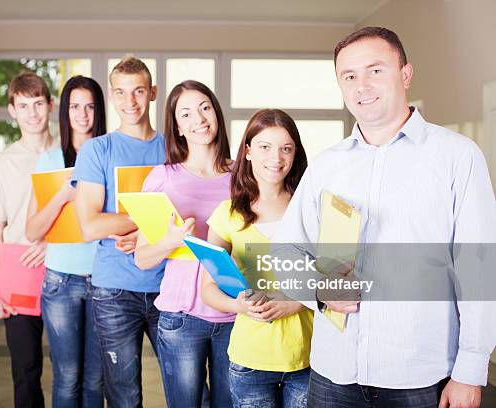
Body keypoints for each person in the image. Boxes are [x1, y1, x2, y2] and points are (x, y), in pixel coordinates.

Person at [273, 27, 496, 408]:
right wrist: (318, 292)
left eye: (375, 71)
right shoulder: (326, 166)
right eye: (349, 76)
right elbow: (285, 254)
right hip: (333, 375)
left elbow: (481, 269)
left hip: (419, 378)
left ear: (405, 74)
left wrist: (470, 371)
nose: (362, 85)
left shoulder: (458, 157)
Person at [201, 109, 314, 408]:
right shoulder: (228, 214)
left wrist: (296, 302)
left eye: (286, 148)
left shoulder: (311, 208)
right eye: (265, 147)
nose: (276, 157)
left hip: (307, 358)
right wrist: (238, 305)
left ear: (295, 154)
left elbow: (337, 278)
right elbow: (208, 289)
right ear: (248, 151)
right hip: (250, 361)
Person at [134, 80, 234, 407]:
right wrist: (169, 241)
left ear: (216, 113)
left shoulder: (242, 176)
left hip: (234, 313)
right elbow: (142, 258)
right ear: (176, 127)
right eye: (186, 113)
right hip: (182, 319)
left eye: (204, 108)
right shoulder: (162, 178)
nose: (199, 119)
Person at [73, 55, 165, 407]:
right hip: (114, 290)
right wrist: (153, 221)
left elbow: (189, 216)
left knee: (186, 392)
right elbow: (90, 225)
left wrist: (138, 228)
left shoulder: (174, 148)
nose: (131, 102)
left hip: (167, 285)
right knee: (124, 396)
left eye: (139, 91)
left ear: (152, 93)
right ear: (112, 96)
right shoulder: (98, 150)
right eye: (122, 93)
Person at [25, 75, 106, 407]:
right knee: (67, 377)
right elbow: (32, 231)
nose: (82, 115)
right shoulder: (50, 161)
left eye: (89, 106)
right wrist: (61, 196)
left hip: (105, 281)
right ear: (65, 111)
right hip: (61, 282)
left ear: (99, 110)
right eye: (75, 106)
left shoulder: (109, 155)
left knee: (95, 380)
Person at [0, 71, 53, 408]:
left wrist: (53, 245)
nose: (32, 113)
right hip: (18, 271)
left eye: (38, 104)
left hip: (66, 270)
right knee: (26, 370)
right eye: (24, 105)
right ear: (12, 110)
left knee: (74, 370)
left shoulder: (72, 156)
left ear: (50, 105)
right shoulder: (2, 164)